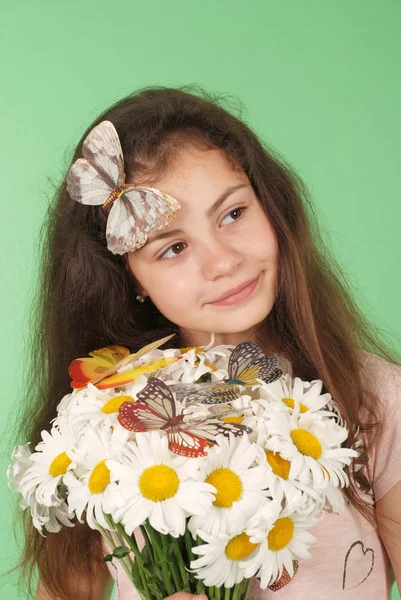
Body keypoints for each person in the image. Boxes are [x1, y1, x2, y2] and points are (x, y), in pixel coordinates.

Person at [13, 84, 401, 600]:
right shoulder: (107, 431)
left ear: (271, 205)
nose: (223, 261)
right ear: (130, 279)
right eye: (173, 247)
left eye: (233, 214)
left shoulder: (373, 397)